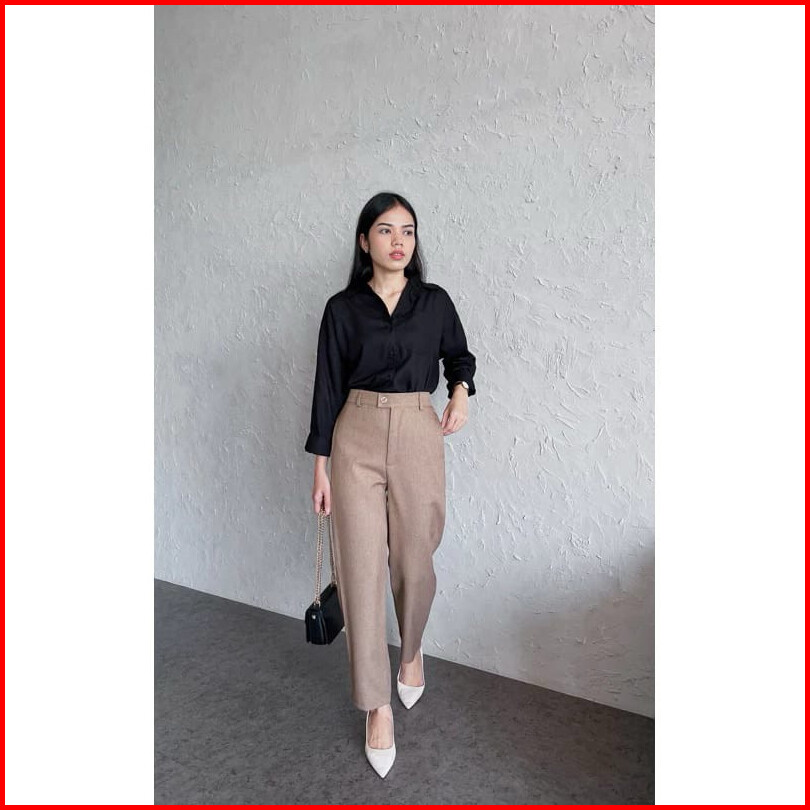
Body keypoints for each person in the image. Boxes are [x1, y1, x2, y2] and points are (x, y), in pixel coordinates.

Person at [304, 191, 477, 778]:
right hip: (354, 434)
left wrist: (459, 393)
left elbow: (460, 357)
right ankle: (376, 705)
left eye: (407, 230)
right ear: (364, 241)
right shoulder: (342, 309)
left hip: (416, 429)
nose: (398, 240)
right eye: (385, 229)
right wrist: (321, 465)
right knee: (359, 571)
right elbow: (327, 387)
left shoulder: (434, 302)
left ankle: (412, 648)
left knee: (413, 562)